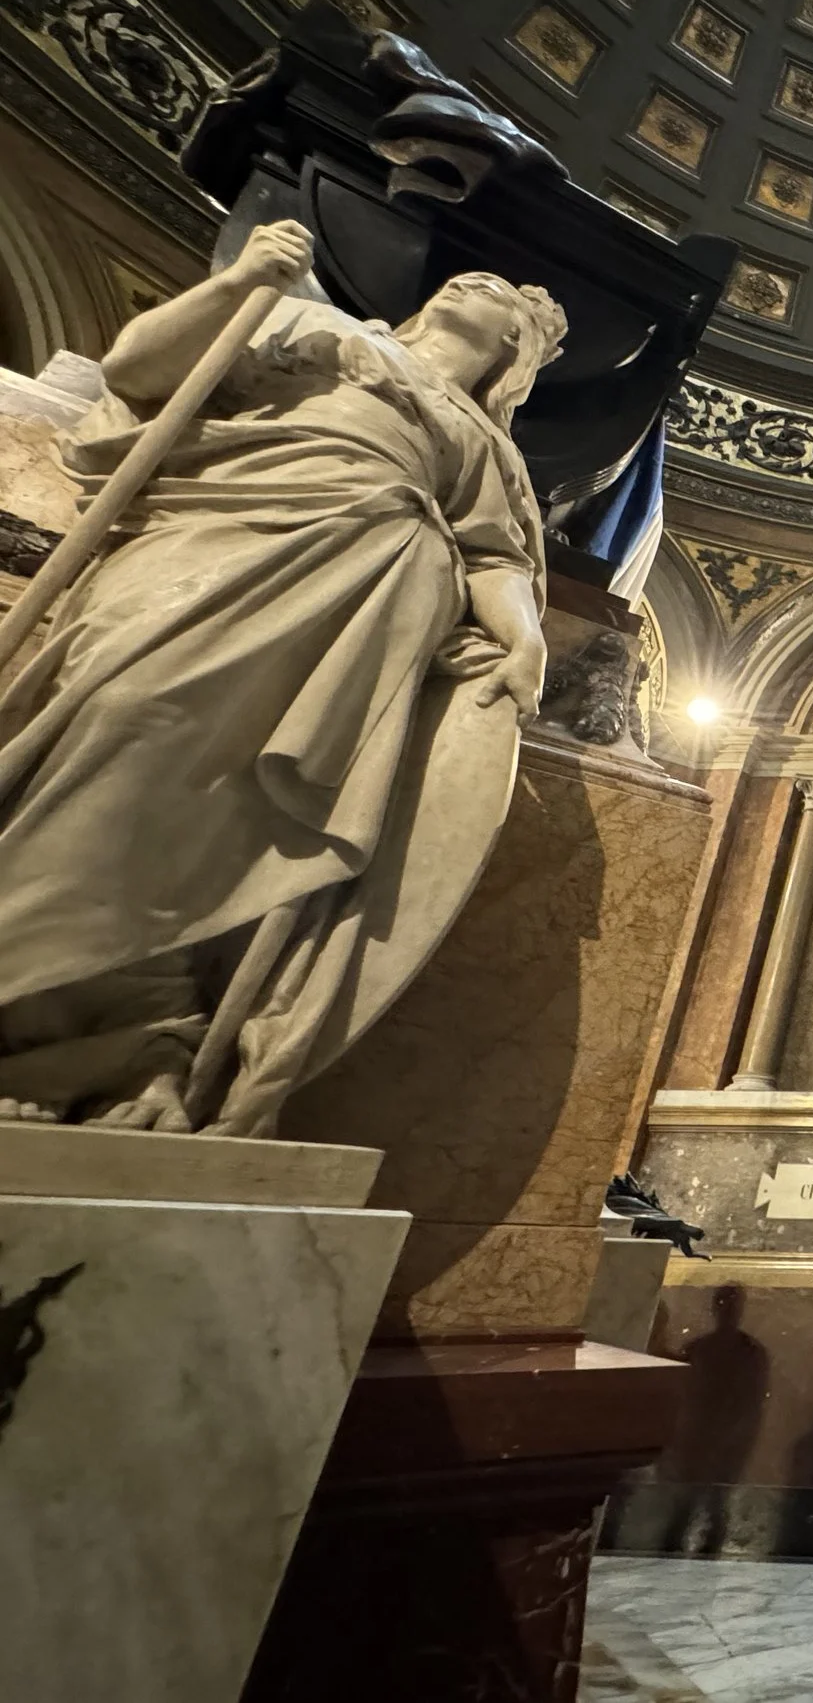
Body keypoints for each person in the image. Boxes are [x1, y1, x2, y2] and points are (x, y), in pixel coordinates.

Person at [0, 218, 563, 1135]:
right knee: (120, 706)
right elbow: (140, 371)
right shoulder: (314, 327)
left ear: (513, 351)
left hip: (370, 596)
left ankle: (130, 1041)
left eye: (498, 294)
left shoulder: (484, 440)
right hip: (222, 533)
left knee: (245, 816)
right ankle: (31, 1005)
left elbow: (494, 553)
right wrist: (239, 282)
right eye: (468, 276)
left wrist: (525, 636)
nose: (472, 283)